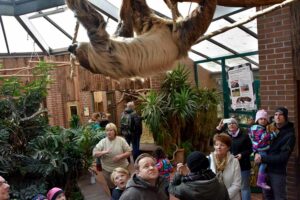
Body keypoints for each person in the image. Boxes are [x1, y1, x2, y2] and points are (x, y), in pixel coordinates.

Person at [254, 107, 296, 200]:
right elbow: (258, 142)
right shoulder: (268, 128)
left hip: (277, 172)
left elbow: (283, 157)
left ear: (285, 117)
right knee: (267, 197)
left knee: (279, 197)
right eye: (276, 114)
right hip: (264, 170)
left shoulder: (289, 135)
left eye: (281, 115)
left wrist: (263, 158)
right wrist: (256, 153)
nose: (277, 117)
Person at [216, 117, 252, 200]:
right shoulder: (225, 136)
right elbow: (215, 140)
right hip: (228, 165)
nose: (231, 125)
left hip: (243, 165)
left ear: (237, 125)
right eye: (229, 123)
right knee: (230, 186)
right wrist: (219, 128)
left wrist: (242, 155)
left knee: (244, 187)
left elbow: (250, 149)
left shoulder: (244, 135)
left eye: (233, 123)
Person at [93, 123, 132, 193]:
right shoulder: (103, 142)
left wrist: (120, 156)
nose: (109, 132)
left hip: (122, 168)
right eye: (107, 130)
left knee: (126, 187)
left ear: (115, 131)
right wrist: (103, 152)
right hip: (108, 170)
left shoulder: (121, 140)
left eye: (111, 130)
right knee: (113, 189)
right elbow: (94, 153)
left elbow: (129, 152)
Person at [248, 109, 278, 190]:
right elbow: (265, 138)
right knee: (264, 164)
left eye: (265, 119)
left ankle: (262, 180)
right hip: (262, 149)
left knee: (262, 164)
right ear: (257, 120)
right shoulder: (259, 129)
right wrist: (274, 134)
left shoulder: (253, 128)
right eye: (261, 119)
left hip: (257, 149)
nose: (263, 121)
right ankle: (260, 181)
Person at [209, 133, 241, 200]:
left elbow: (237, 184)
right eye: (216, 145)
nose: (218, 147)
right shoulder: (208, 160)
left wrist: (224, 196)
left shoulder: (234, 161)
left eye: (222, 145)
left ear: (228, 147)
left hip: (230, 197)